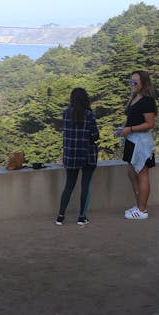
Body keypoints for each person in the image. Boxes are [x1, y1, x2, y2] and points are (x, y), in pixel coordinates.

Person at [55, 87, 100, 226]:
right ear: (86, 99)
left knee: (69, 185)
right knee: (85, 185)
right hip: (87, 155)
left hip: (70, 155)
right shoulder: (89, 114)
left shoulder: (66, 113)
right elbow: (95, 135)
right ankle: (82, 217)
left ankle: (60, 217)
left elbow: (67, 134)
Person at [118, 70, 157, 220]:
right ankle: (139, 205)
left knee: (142, 174)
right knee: (132, 173)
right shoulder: (134, 98)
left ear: (143, 83)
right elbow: (130, 119)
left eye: (135, 82)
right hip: (131, 140)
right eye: (131, 82)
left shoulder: (147, 101)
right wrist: (123, 129)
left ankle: (142, 210)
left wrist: (130, 129)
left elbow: (150, 123)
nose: (132, 84)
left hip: (141, 142)